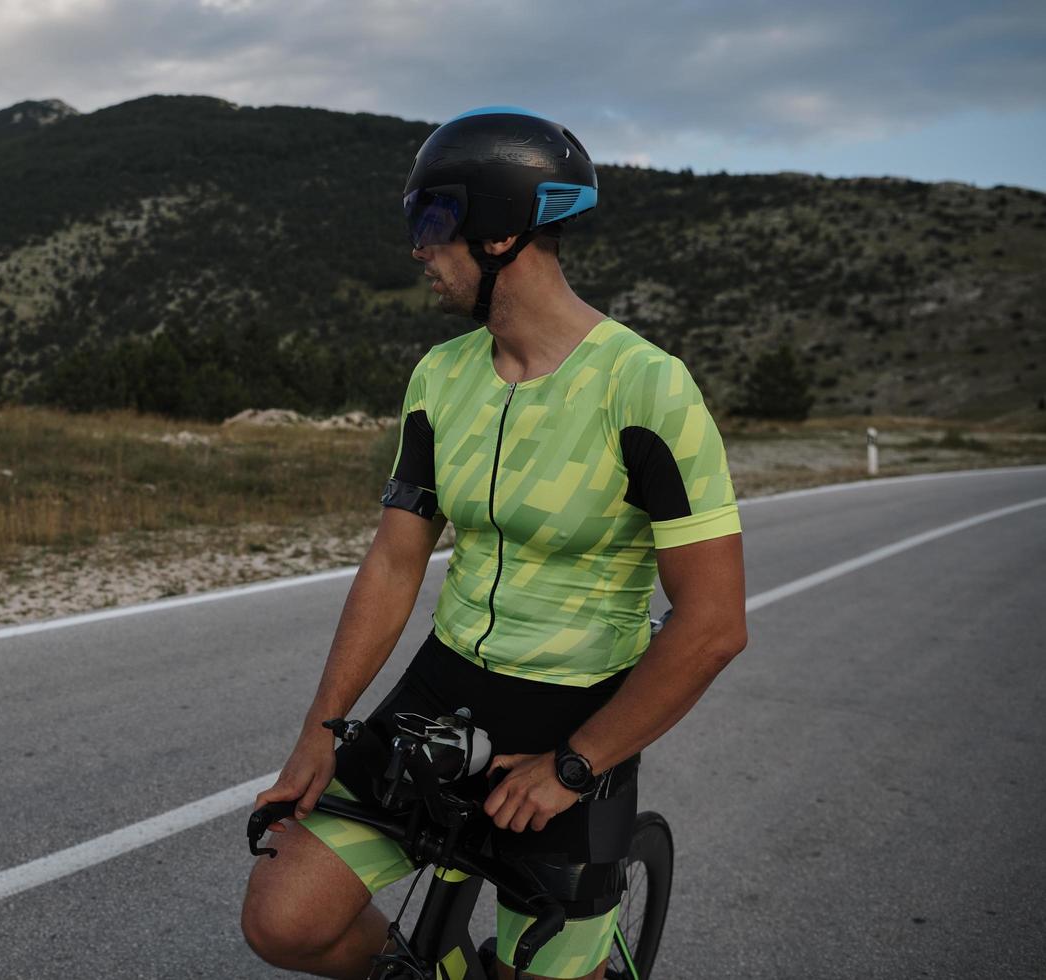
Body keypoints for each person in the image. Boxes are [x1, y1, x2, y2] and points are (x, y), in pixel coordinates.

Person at [240, 106, 748, 980]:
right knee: (284, 920)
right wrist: (322, 731)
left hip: (575, 706)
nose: (417, 249)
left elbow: (712, 624)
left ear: (505, 232)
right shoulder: (441, 378)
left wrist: (574, 767)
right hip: (445, 682)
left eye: (432, 221)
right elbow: (397, 560)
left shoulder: (648, 389)